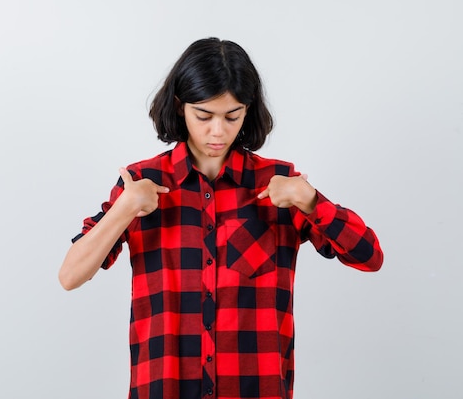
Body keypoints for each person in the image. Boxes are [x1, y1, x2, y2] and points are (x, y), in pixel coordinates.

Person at [59, 37, 383, 399]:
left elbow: (370, 258)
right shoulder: (142, 184)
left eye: (232, 116)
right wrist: (124, 209)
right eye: (204, 116)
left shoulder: (279, 186)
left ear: (248, 111)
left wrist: (310, 200)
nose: (218, 131)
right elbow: (70, 276)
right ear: (180, 107)